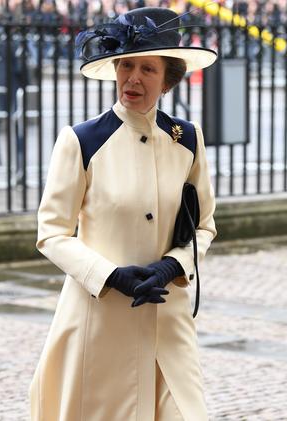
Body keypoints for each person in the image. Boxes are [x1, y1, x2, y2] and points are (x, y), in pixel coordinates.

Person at [30, 7, 217, 421]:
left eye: (147, 69)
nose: (133, 78)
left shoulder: (187, 139)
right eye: (126, 65)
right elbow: (52, 233)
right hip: (99, 323)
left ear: (168, 79)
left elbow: (204, 225)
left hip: (168, 323)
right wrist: (112, 276)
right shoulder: (81, 140)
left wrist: (173, 266)